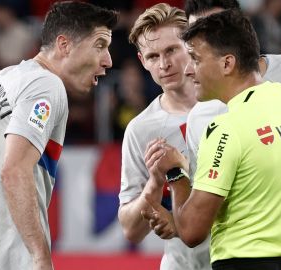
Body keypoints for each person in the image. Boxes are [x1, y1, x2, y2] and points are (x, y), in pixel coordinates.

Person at [145, 10, 281, 269]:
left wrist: (174, 173)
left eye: (195, 59)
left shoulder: (226, 129)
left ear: (227, 63)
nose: (188, 70)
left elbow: (192, 231)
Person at [0, 2, 118, 269]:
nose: (108, 60)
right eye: (99, 45)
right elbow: (15, 170)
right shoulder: (46, 84)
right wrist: (40, 256)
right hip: (9, 259)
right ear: (64, 45)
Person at [117, 3, 207, 270]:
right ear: (142, 61)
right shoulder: (140, 129)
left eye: (171, 50)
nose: (164, 64)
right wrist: (154, 183)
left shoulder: (230, 105)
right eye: (153, 56)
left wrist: (178, 224)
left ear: (190, 45)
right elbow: (131, 231)